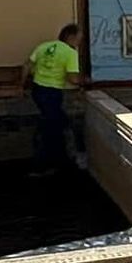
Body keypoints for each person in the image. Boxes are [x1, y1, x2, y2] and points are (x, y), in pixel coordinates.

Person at [24, 23, 87, 173]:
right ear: (70, 37)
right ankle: (44, 165)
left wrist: (20, 86)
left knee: (55, 122)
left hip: (37, 90)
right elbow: (72, 79)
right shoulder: (70, 53)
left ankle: (56, 159)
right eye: (79, 39)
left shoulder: (44, 46)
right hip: (52, 93)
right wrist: (84, 81)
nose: (79, 43)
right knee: (53, 128)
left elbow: (26, 66)